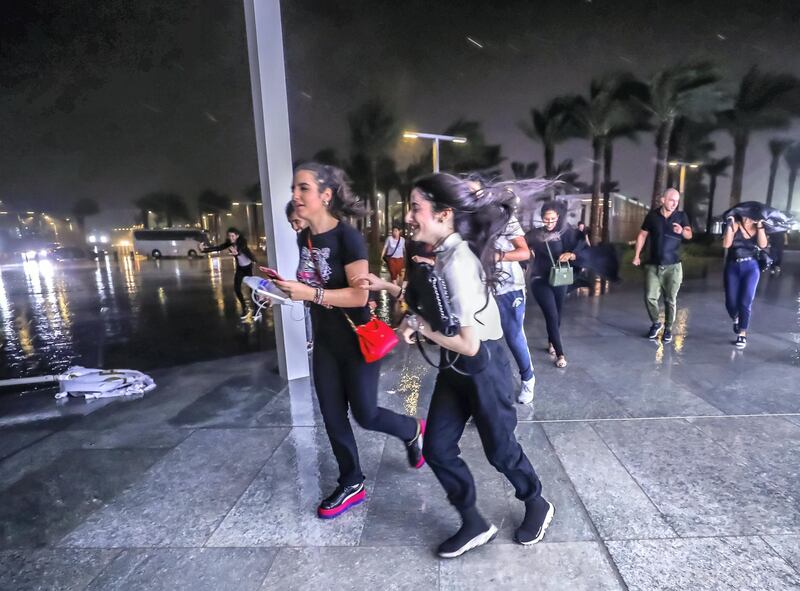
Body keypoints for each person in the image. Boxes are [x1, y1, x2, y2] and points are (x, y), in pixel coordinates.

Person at [362, 173, 553, 558]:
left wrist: (419, 326)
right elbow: (439, 304)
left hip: (483, 364)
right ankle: (474, 522)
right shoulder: (445, 254)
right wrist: (391, 290)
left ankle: (537, 501)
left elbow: (468, 342)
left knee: (500, 451)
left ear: (444, 214)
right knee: (437, 447)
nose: (410, 217)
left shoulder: (459, 262)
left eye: (416, 208)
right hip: (455, 366)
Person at [273, 162, 424, 519]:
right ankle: (351, 480)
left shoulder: (347, 238)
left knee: (366, 414)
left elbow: (358, 296)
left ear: (325, 195)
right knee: (331, 414)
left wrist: (308, 293)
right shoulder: (304, 237)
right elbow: (312, 287)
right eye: (294, 188)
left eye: (303, 188)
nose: (295, 195)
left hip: (357, 339)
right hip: (325, 341)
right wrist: (282, 292)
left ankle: (412, 428)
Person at [526, 201, 586, 368]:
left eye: (553, 219)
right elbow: (520, 247)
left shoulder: (565, 233)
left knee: (558, 314)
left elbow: (581, 247)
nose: (550, 223)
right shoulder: (534, 234)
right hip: (539, 279)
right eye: (546, 219)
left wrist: (571, 254)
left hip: (559, 279)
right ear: (542, 218)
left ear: (558, 217)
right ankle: (560, 353)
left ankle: (552, 340)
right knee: (551, 314)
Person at [632, 188, 692, 343]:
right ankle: (656, 322)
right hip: (653, 265)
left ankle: (668, 329)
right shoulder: (652, 216)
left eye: (677, 201)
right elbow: (642, 235)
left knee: (670, 300)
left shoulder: (681, 216)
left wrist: (681, 231)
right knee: (649, 297)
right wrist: (637, 255)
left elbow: (689, 234)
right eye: (671, 200)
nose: (674, 203)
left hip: (673, 266)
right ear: (663, 200)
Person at [722, 214, 768, 349]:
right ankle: (735, 317)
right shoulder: (734, 225)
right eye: (745, 214)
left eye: (751, 214)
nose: (748, 217)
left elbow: (763, 244)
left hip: (751, 268)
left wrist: (760, 225)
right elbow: (726, 244)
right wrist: (730, 225)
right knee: (730, 301)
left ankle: (742, 332)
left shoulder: (758, 227)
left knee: (745, 301)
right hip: (733, 267)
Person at [202, 227, 258, 319]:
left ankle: (256, 309)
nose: (231, 238)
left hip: (248, 267)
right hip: (240, 268)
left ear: (237, 236)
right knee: (237, 289)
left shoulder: (242, 242)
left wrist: (237, 253)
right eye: (229, 236)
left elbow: (241, 248)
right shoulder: (229, 243)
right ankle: (245, 308)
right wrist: (204, 250)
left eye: (232, 236)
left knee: (252, 289)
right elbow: (218, 248)